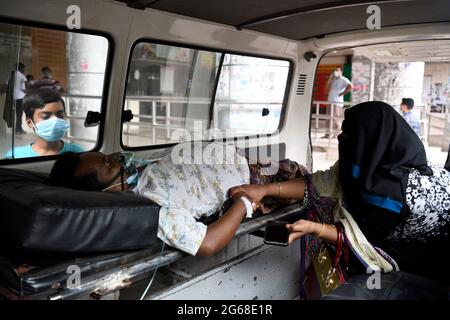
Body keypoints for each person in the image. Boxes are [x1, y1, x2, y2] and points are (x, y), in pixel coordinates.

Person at [232, 101, 450, 283]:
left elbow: (374, 247)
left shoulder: (412, 198)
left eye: (351, 135)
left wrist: (316, 229)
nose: (341, 139)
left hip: (425, 253)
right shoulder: (372, 159)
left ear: (372, 140)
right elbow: (323, 181)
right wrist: (266, 189)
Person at [47, 142, 308, 257]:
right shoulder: (153, 202)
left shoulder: (143, 170)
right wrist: (244, 202)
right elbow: (208, 243)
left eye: (107, 154)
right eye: (107, 164)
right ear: (104, 191)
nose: (116, 158)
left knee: (317, 179)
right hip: (257, 184)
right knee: (321, 190)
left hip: (250, 161)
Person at [4, 88, 84, 158]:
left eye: (60, 115)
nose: (55, 120)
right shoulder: (15, 155)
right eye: (45, 116)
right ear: (29, 122)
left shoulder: (77, 152)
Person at [325, 67, 352, 137]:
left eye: (337, 70)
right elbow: (326, 88)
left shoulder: (343, 79)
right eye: (335, 71)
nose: (335, 72)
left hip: (337, 102)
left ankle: (336, 135)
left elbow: (350, 86)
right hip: (330, 101)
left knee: (336, 119)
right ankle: (327, 134)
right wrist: (330, 78)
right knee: (328, 118)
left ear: (341, 71)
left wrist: (342, 93)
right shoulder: (334, 79)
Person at [12, 62, 27, 134]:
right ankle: (18, 129)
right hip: (20, 97)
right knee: (19, 114)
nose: (24, 69)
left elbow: (6, 85)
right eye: (23, 68)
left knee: (16, 113)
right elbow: (23, 88)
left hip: (13, 97)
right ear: (21, 68)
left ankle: (18, 128)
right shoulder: (22, 76)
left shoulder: (12, 75)